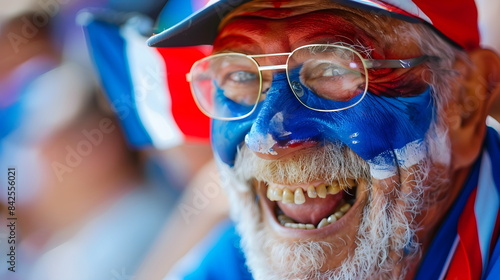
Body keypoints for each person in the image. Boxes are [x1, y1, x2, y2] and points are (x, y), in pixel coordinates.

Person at [149, 0, 500, 279]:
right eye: (240, 75)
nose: (267, 140)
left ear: (465, 105)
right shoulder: (239, 259)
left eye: (334, 69)